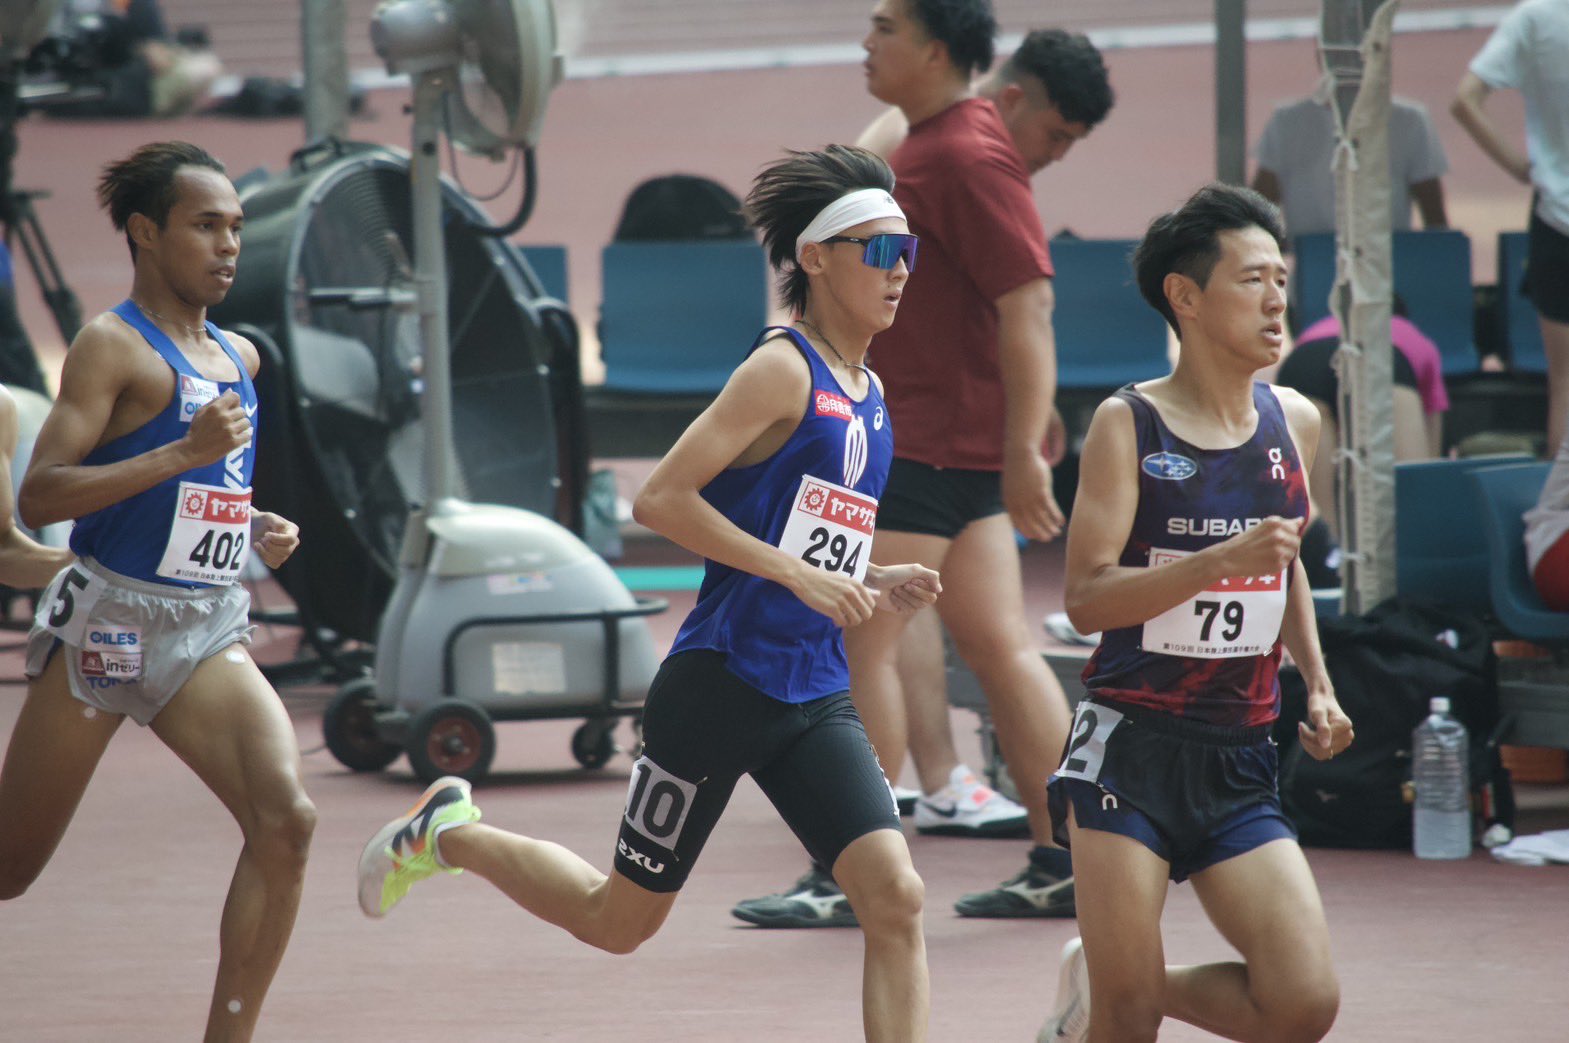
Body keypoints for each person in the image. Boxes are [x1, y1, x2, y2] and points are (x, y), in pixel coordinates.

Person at [357, 144, 941, 1043]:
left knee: (894, 898)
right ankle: (448, 833)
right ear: (815, 258)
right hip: (720, 686)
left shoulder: (868, 389)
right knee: (617, 920)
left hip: (812, 690)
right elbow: (660, 498)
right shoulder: (783, 370)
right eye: (876, 250)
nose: (898, 271)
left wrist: (864, 575)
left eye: (907, 253)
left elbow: (800, 530)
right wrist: (797, 574)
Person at [732, 6, 1114, 929]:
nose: (869, 44)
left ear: (937, 50)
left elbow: (1029, 306)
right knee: (995, 643)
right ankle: (1069, 860)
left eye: (886, 28)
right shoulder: (931, 142)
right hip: (949, 441)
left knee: (856, 647)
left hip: (922, 445)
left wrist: (1026, 444)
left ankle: (847, 873)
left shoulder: (964, 155)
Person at [0, 141, 311, 1043]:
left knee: (285, 819)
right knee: (11, 868)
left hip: (207, 628)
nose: (228, 245)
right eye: (205, 225)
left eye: (237, 228)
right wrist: (183, 453)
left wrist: (251, 522)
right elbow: (44, 492)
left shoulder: (239, 357)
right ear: (146, 232)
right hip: (108, 627)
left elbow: (196, 491)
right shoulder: (110, 346)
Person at [1037, 183, 1353, 1043]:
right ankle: (1113, 989)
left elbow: (1281, 571)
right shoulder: (1127, 424)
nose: (1277, 297)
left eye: (1281, 277)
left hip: (1240, 754)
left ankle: (1102, 978)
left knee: (1301, 1004)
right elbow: (1086, 598)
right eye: (1251, 278)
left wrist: (1316, 684)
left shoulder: (1294, 420)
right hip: (1129, 748)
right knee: (1127, 1019)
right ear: (1185, 295)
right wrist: (1216, 561)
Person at [1452, 0, 1569, 453]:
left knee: (1563, 385)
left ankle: (1561, 519)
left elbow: (1465, 100)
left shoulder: (1535, 19)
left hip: (1556, 216)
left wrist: (1523, 168)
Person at [1275, 300, 1450, 583]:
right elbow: (1430, 451)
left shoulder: (1316, 329)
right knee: (1410, 502)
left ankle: (1328, 577)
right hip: (1382, 359)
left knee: (1320, 522)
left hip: (1303, 364)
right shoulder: (1416, 338)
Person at [1252, 64, 1448, 237]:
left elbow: (1435, 219)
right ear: (1320, 55)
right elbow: (1257, 218)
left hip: (1387, 269)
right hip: (1311, 266)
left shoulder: (1409, 121)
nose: (1348, 63)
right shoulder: (1286, 122)